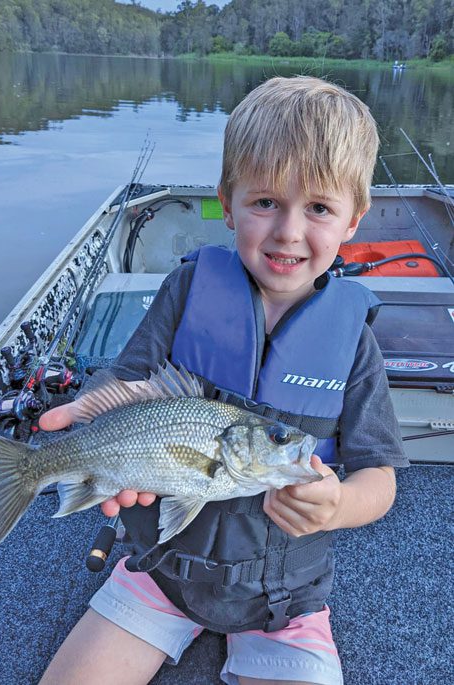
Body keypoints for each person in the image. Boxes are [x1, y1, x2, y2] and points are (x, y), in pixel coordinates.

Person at [38, 76, 409, 685]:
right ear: (227, 202)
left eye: (318, 207)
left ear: (354, 220)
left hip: (282, 601)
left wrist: (338, 504)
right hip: (159, 566)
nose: (289, 231)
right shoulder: (186, 290)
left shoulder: (351, 340)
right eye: (265, 202)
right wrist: (98, 412)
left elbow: (381, 478)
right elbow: (129, 381)